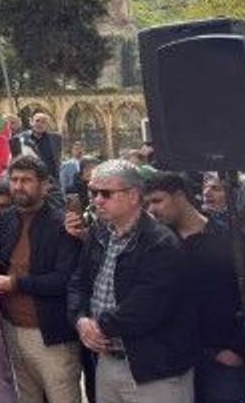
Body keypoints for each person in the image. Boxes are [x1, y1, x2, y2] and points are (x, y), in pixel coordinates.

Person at [145, 171, 245, 403]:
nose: (151, 210)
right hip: (174, 360)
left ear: (180, 196)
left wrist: (236, 348)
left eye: (157, 201)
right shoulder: (157, 243)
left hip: (223, 359)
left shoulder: (229, 239)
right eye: (147, 203)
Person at [67, 161, 197, 402]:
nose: (97, 200)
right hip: (108, 360)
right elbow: (79, 281)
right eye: (93, 192)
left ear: (134, 196)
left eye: (106, 193)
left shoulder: (161, 243)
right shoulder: (99, 232)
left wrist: (98, 326)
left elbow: (147, 305)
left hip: (154, 369)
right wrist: (80, 319)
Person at [0, 155, 82, 403]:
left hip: (51, 336)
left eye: (26, 180)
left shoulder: (62, 223)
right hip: (11, 330)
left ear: (45, 185)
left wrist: (13, 283)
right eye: (14, 180)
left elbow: (64, 280)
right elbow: (5, 260)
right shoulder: (7, 218)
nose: (18, 186)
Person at [12, 113, 63, 184]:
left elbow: (57, 159)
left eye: (43, 122)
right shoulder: (20, 138)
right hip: (31, 181)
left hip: (51, 182)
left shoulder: (56, 138)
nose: (39, 124)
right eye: (37, 121)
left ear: (47, 125)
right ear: (31, 122)